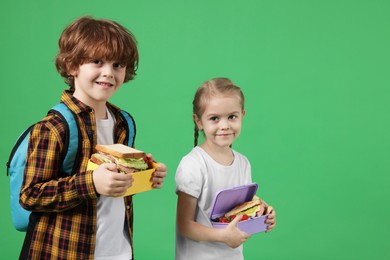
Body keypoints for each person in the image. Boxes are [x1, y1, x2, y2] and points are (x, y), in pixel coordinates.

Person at [19, 16, 167, 260]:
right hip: (68, 251)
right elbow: (31, 195)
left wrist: (145, 174)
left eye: (118, 65)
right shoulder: (54, 127)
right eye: (97, 62)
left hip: (118, 249)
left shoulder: (123, 121)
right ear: (72, 66)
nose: (108, 73)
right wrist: (91, 183)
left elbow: (115, 181)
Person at [175, 78, 276, 260]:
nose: (225, 125)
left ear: (242, 115)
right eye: (214, 118)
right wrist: (223, 236)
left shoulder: (243, 163)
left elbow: (239, 209)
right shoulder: (193, 164)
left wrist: (263, 213)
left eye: (232, 116)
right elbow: (185, 225)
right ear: (198, 122)